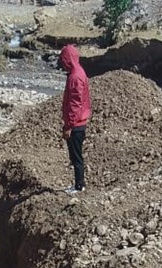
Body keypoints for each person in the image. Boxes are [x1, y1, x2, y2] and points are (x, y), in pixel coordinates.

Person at [59, 44, 92, 194]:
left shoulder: (75, 76)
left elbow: (75, 104)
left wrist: (69, 126)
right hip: (78, 122)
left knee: (76, 156)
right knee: (76, 155)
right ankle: (78, 184)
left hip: (76, 124)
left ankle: (79, 186)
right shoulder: (78, 72)